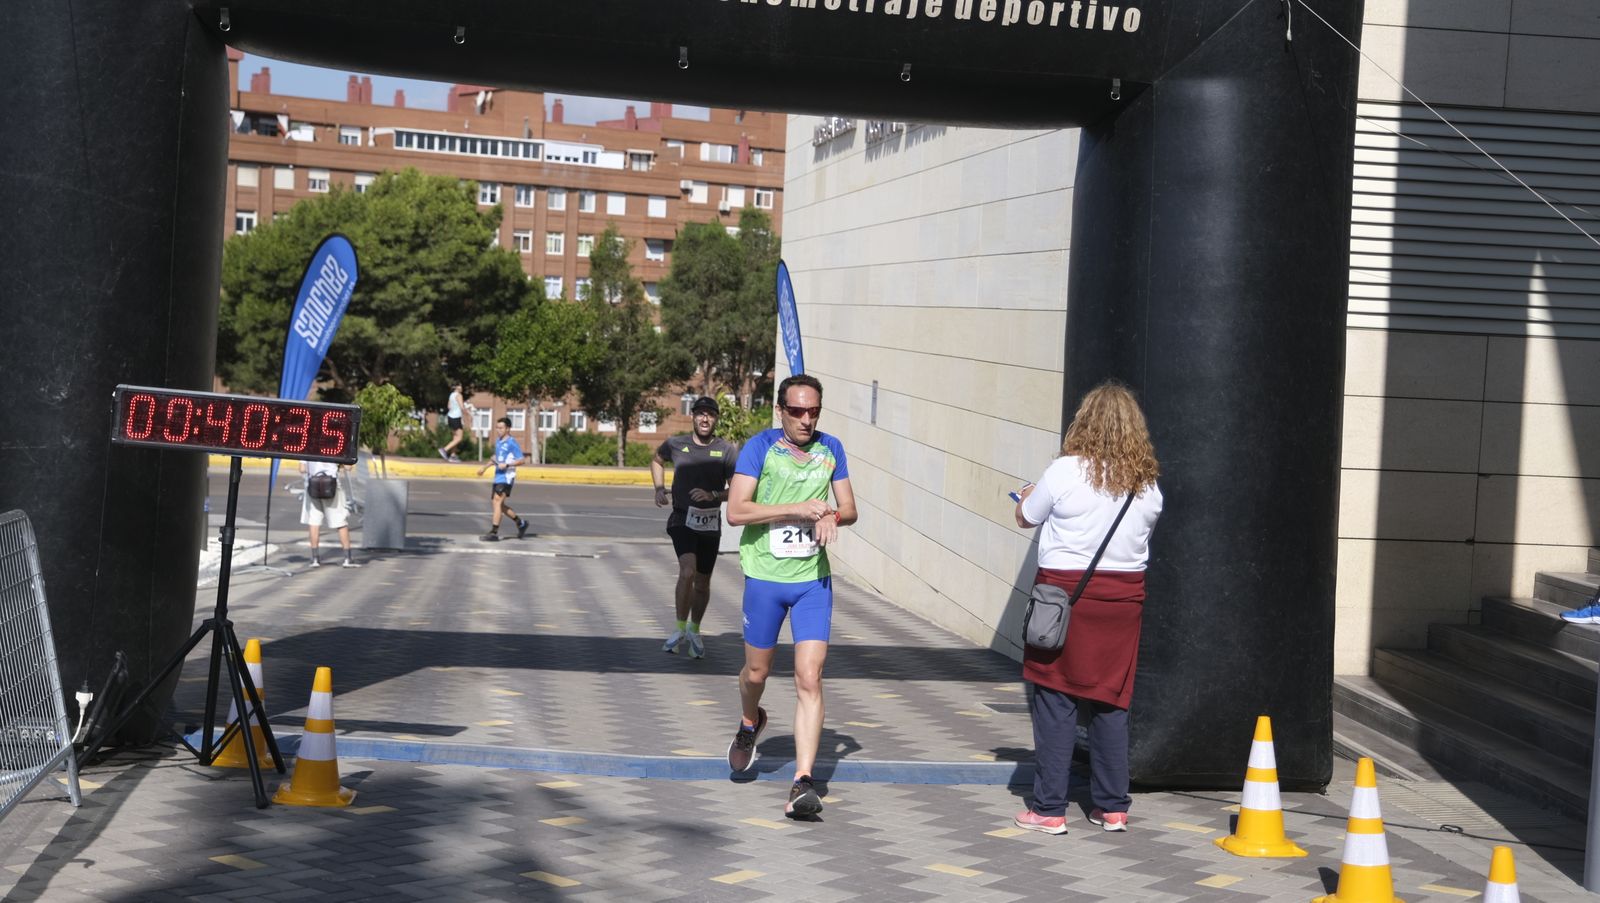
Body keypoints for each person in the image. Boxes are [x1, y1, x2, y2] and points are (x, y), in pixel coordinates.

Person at [1011, 381, 1163, 836]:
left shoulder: (1064, 471)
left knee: (1054, 697)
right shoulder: (1147, 483)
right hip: (1123, 603)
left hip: (1063, 598)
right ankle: (1113, 807)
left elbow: (1026, 517)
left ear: (1084, 423)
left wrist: (1026, 495)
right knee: (1111, 700)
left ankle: (1049, 809)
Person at [724, 374, 857, 819]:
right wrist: (795, 509)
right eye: (797, 411)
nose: (806, 419)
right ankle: (750, 722)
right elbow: (736, 511)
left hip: (811, 581)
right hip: (764, 577)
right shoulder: (760, 447)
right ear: (780, 410)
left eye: (813, 411)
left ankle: (803, 780)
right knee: (757, 672)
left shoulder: (831, 449)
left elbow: (850, 508)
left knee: (810, 677)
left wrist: (832, 516)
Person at [653, 396, 737, 659]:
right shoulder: (676, 444)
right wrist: (658, 488)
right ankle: (679, 628)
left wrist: (713, 494)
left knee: (702, 582)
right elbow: (657, 460)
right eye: (700, 413)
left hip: (710, 523)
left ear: (716, 419)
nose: (705, 418)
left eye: (710, 414)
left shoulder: (726, 450)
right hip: (682, 519)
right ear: (693, 417)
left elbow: (737, 488)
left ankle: (694, 629)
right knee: (687, 571)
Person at [476, 416, 530, 541]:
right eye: (497, 428)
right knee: (498, 504)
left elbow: (522, 460)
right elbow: (496, 457)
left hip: (507, 477)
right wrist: (484, 468)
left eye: (501, 428)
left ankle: (494, 533)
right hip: (498, 476)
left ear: (508, 429)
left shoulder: (512, 443)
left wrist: (507, 464)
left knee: (497, 502)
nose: (498, 430)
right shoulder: (498, 441)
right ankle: (521, 523)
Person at [299, 461, 360, 568]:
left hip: (313, 485)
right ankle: (347, 558)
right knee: (340, 522)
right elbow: (348, 467)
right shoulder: (336, 450)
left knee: (314, 522)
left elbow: (302, 469)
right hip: (331, 485)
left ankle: (315, 558)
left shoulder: (308, 449)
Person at [438, 383, 468, 462]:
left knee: (455, 437)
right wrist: (469, 413)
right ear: (457, 387)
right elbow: (462, 407)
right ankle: (444, 449)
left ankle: (453, 455)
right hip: (456, 417)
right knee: (459, 438)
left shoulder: (451, 395)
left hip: (450, 417)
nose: (461, 387)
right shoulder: (459, 395)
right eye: (460, 386)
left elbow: (449, 406)